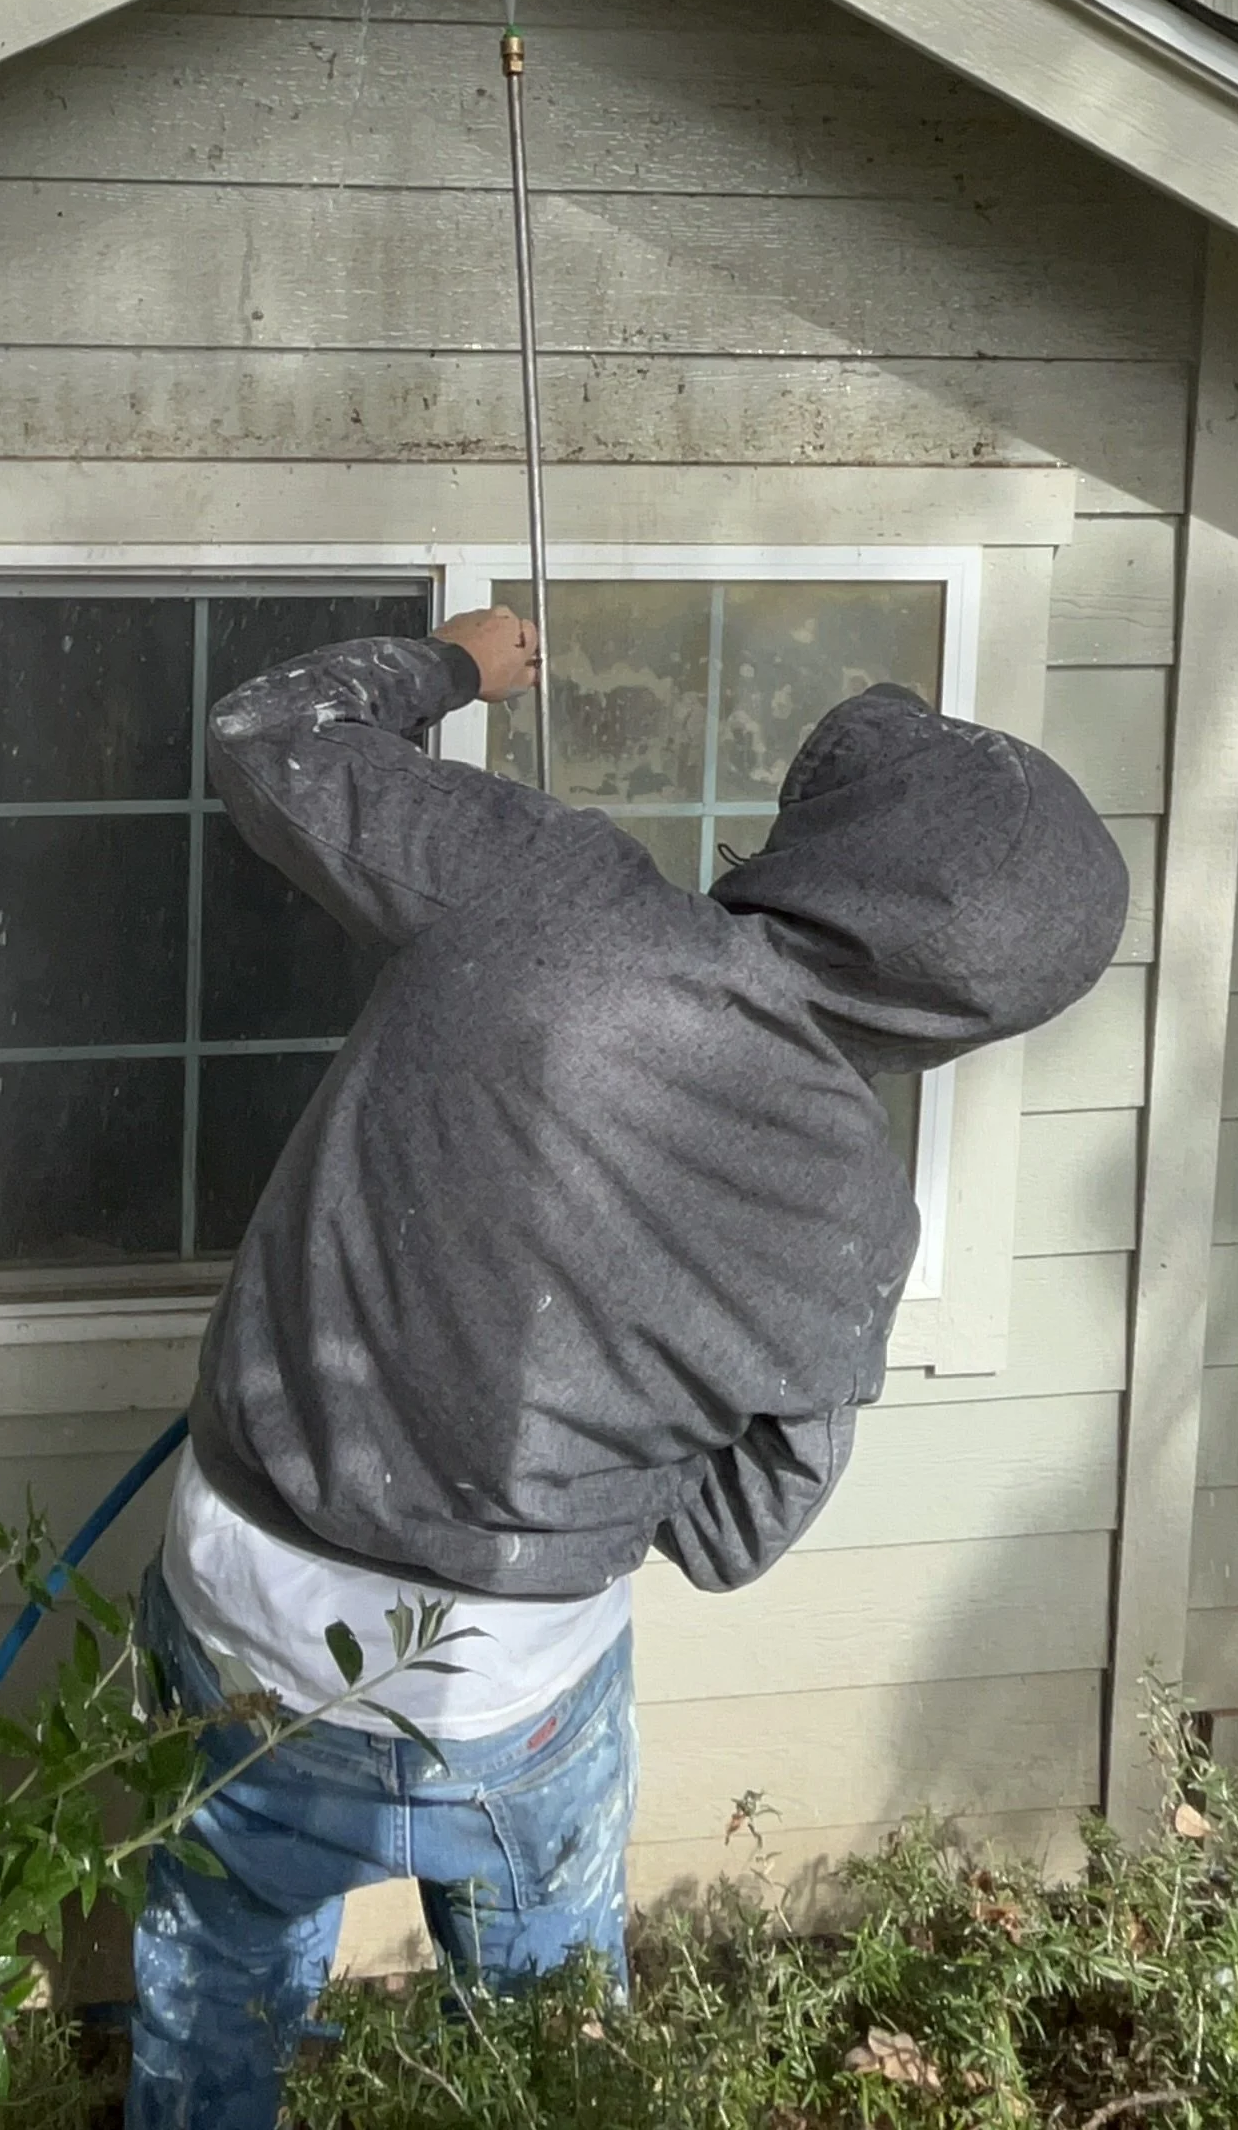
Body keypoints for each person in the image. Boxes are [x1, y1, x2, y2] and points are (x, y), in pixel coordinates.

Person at [126, 606, 1129, 2130]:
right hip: (516, 1692)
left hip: (247, 1611)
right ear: (973, 1006)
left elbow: (269, 738)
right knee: (555, 2065)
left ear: (825, 841)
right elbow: (730, 1538)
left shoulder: (540, 889)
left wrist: (455, 663)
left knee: (216, 1995)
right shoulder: (859, 1216)